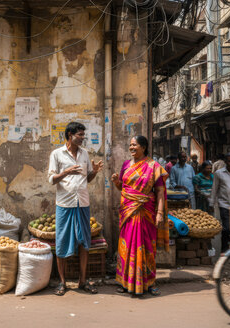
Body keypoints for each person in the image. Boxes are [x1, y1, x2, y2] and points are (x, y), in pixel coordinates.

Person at [48, 122, 103, 296]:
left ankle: (82, 281)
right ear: (70, 135)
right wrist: (66, 172)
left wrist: (93, 172)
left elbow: (87, 179)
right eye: (79, 135)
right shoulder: (57, 154)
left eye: (82, 135)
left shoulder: (85, 154)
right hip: (64, 204)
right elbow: (51, 179)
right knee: (62, 242)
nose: (82, 138)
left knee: (84, 243)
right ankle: (62, 283)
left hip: (83, 204)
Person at [111, 136, 168, 296]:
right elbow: (123, 188)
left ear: (143, 147)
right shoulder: (126, 165)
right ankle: (125, 281)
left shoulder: (153, 166)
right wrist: (116, 182)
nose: (131, 148)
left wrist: (160, 213)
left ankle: (149, 282)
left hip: (147, 212)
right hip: (128, 212)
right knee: (127, 246)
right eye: (130, 145)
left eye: (134, 145)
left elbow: (159, 192)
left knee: (147, 246)